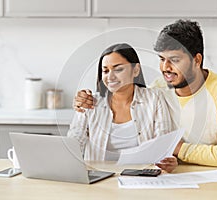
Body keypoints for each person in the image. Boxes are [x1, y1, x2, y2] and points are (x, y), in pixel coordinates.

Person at [73, 20, 217, 168]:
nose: (165, 68)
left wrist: (179, 149)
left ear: (196, 60)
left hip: (213, 177)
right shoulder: (159, 89)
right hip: (171, 177)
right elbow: (129, 97)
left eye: (174, 60)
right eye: (161, 59)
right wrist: (82, 101)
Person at [68, 43, 179, 173]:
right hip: (99, 177)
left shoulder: (155, 98)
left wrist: (167, 161)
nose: (110, 76)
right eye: (105, 71)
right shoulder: (90, 102)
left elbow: (162, 145)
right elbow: (73, 145)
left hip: (142, 178)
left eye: (118, 69)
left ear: (135, 70)